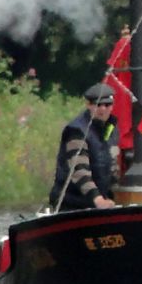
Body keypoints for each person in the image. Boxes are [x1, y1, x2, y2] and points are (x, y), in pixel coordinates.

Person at [50, 83, 117, 211]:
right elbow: (79, 169)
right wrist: (97, 199)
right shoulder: (77, 131)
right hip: (71, 204)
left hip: (98, 204)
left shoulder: (111, 128)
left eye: (107, 105)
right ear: (88, 105)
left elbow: (111, 165)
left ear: (112, 106)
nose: (102, 109)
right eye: (98, 105)